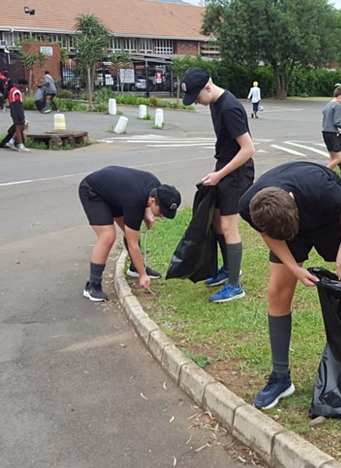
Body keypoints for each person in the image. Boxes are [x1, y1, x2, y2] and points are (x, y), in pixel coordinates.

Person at [239, 161, 341, 409]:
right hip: (285, 226)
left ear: (292, 197)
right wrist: (294, 268)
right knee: (277, 292)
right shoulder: (251, 205)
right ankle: (280, 378)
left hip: (333, 219)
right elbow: (267, 233)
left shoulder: (317, 186)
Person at [181, 67, 255, 303]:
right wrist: (216, 172)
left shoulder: (230, 107)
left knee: (228, 225)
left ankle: (235, 285)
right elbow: (226, 146)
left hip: (238, 173)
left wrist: (220, 174)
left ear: (208, 87)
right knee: (215, 221)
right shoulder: (214, 103)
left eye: (197, 97)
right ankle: (228, 269)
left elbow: (248, 149)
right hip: (225, 169)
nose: (197, 103)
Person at [79, 166, 180, 301]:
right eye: (162, 212)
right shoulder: (134, 201)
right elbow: (133, 244)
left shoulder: (156, 187)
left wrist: (147, 213)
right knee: (108, 236)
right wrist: (144, 275)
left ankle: (135, 268)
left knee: (132, 230)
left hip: (115, 192)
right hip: (93, 191)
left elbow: (144, 195)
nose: (162, 215)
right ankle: (92, 286)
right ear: (153, 201)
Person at [0, 77, 29, 152]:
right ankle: (21, 146)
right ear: (21, 84)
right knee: (18, 128)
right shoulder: (17, 92)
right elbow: (17, 104)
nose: (25, 87)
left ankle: (11, 142)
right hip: (16, 112)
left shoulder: (12, 89)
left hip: (14, 111)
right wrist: (21, 116)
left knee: (21, 128)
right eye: (24, 86)